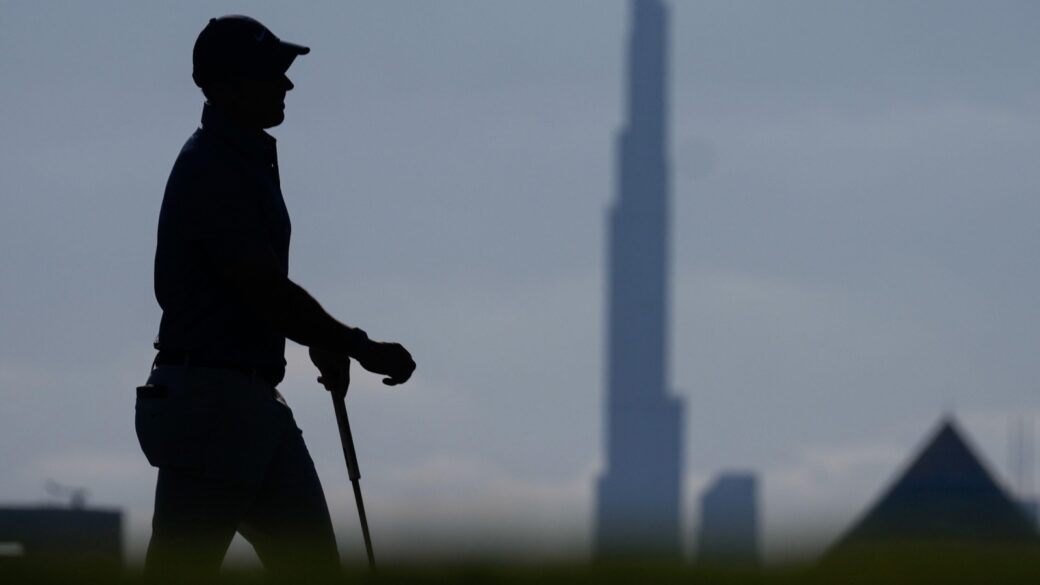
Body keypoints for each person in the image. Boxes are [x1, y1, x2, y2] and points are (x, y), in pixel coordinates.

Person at [135, 15, 415, 581]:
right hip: (212, 405)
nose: (287, 85)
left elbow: (261, 295)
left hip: (249, 402)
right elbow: (264, 290)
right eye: (272, 74)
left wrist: (318, 340)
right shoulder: (212, 168)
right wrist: (356, 345)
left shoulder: (237, 162)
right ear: (230, 84)